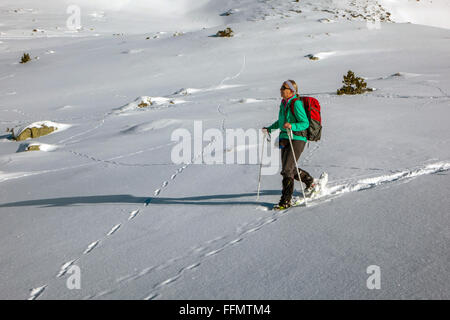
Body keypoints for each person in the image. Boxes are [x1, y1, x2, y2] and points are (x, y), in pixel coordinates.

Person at [263, 80, 315, 209]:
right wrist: (269, 128)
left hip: (297, 138)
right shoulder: (284, 103)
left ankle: (286, 200)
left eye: (283, 87)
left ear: (292, 91)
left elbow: (305, 123)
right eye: (281, 87)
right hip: (284, 138)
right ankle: (310, 181)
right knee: (289, 168)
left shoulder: (296, 103)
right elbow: (281, 121)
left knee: (287, 169)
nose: (280, 89)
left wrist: (292, 125)